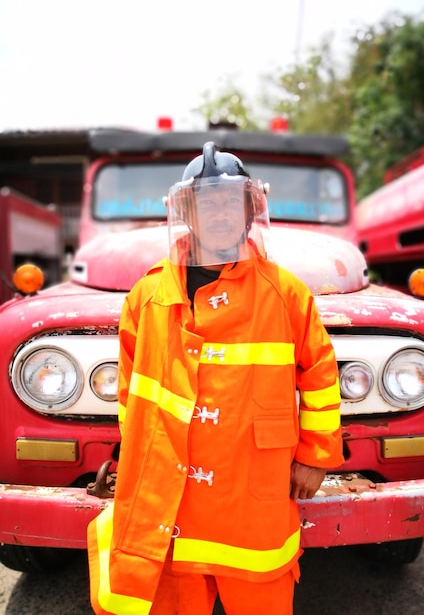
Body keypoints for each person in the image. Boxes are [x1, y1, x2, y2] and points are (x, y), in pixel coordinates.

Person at [87, 142, 344, 615]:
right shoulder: (147, 296)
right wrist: (136, 454)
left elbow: (322, 375)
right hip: (171, 494)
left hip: (253, 486)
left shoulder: (284, 293)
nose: (221, 212)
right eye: (207, 201)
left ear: (250, 211)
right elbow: (131, 391)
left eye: (232, 201)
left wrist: (316, 456)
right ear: (187, 211)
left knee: (261, 596)